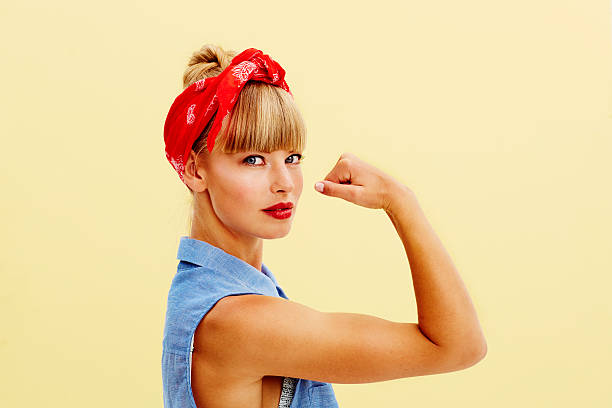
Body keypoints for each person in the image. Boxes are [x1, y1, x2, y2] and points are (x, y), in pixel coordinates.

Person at [161, 44, 487, 408]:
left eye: (292, 157)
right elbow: (458, 346)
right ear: (194, 170)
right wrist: (401, 201)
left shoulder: (207, 293)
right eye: (253, 159)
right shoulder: (238, 320)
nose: (284, 181)